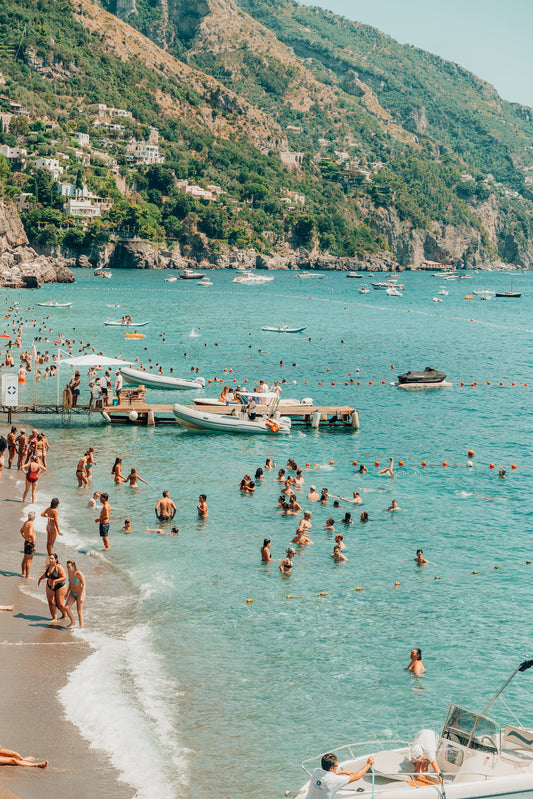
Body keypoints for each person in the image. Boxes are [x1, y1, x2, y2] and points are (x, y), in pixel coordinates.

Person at [305, 752, 374, 799]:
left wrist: (343, 772)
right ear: (331, 768)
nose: (337, 766)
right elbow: (356, 777)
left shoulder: (316, 771)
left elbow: (327, 774)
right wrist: (368, 764)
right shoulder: (335, 780)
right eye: (336, 765)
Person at [38, 553, 68, 623]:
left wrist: (55, 581)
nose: (50, 560)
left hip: (60, 586)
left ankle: (64, 614)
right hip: (49, 585)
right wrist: (40, 579)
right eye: (49, 558)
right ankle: (54, 618)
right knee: (51, 602)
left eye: (52, 559)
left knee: (60, 604)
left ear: (56, 559)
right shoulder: (48, 566)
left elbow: (64, 577)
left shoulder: (59, 567)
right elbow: (46, 574)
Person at [65, 560, 85, 628]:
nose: (67, 568)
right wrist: (67, 593)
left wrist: (82, 595)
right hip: (72, 593)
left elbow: (84, 584)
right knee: (66, 607)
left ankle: (81, 627)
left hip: (80, 593)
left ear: (73, 566)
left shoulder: (78, 573)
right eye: (66, 567)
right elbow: (70, 583)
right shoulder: (69, 572)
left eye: (68, 567)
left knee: (79, 611)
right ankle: (73, 622)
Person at [20, 511, 36, 578]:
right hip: (30, 543)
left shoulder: (26, 523)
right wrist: (33, 541)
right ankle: (28, 575)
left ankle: (23, 572)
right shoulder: (31, 524)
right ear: (34, 518)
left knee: (25, 558)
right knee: (29, 560)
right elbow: (30, 534)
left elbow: (21, 531)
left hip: (26, 542)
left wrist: (25, 537)